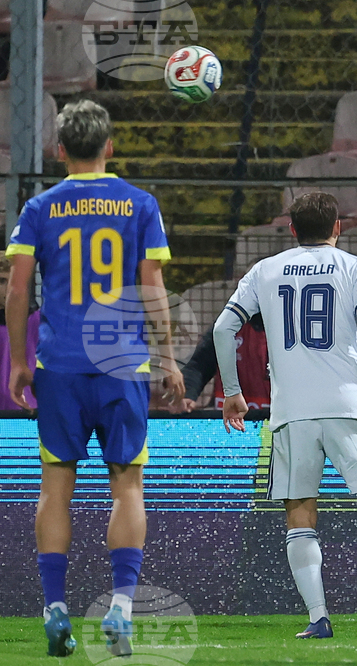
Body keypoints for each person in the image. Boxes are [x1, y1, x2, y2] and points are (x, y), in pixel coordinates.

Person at [5, 100, 185, 657]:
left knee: (55, 484)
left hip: (58, 365)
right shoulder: (139, 205)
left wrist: (17, 359)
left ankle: (55, 609)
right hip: (121, 363)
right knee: (126, 484)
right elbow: (151, 285)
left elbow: (17, 289)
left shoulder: (39, 207)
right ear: (110, 146)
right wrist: (169, 357)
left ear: (59, 150)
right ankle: (122, 609)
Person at [216, 192, 357, 639]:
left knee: (300, 512)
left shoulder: (265, 270)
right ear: (338, 227)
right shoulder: (354, 267)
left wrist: (233, 392)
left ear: (292, 230)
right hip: (348, 402)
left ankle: (318, 617)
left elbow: (222, 327)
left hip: (292, 412)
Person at [180, 312, 269, 412]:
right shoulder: (228, 323)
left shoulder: (286, 330)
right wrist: (187, 395)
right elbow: (198, 364)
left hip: (273, 422)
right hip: (228, 420)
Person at [0, 255, 40, 410]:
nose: (6, 288)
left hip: (25, 408)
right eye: (2, 281)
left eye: (9, 281)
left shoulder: (36, 320)